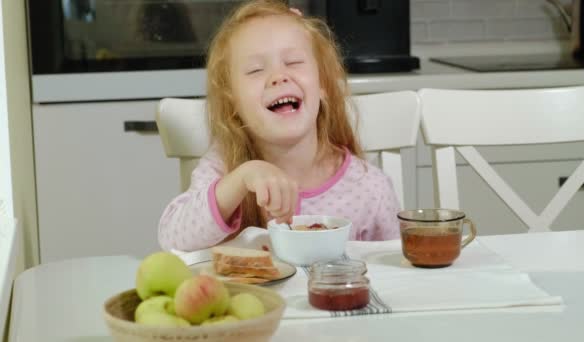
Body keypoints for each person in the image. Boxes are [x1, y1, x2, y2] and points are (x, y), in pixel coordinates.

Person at [158, 0, 401, 251]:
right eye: (255, 70)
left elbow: (396, 275)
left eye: (294, 61)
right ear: (233, 103)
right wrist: (242, 178)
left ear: (323, 85)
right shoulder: (224, 168)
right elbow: (172, 238)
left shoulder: (369, 188)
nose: (278, 76)